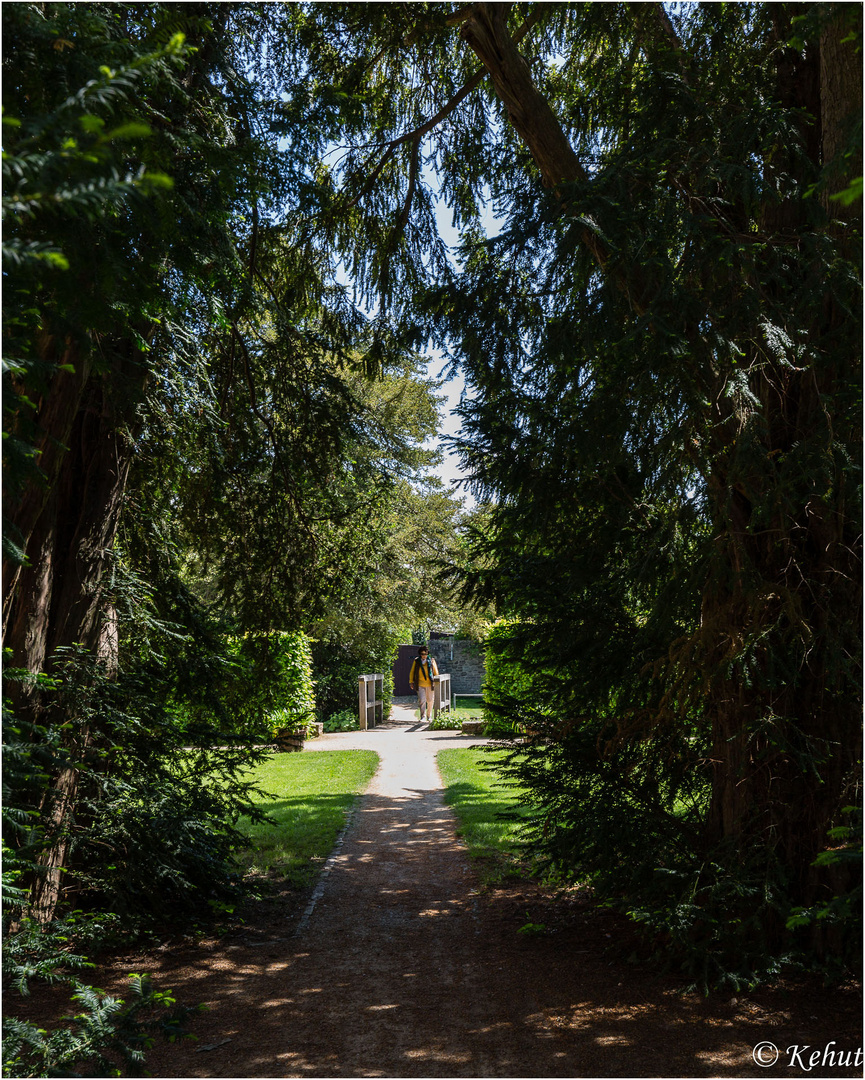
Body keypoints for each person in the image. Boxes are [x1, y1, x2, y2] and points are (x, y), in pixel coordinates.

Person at [408, 645, 439, 724]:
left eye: (425, 654)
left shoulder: (431, 661)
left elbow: (436, 672)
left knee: (430, 700)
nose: (424, 656)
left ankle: (429, 716)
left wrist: (436, 682)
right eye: (422, 654)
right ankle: (423, 716)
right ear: (420, 654)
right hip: (420, 684)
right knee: (422, 700)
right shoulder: (416, 661)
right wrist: (411, 681)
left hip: (430, 684)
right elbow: (412, 672)